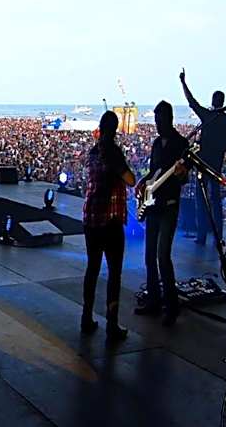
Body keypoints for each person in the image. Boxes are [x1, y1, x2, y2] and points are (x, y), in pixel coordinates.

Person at [82, 111, 135, 342]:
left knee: (92, 269)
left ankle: (86, 317)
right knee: (114, 272)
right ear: (115, 129)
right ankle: (112, 325)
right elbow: (130, 179)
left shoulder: (93, 152)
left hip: (91, 217)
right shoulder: (112, 152)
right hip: (110, 219)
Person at [136, 101, 188, 326]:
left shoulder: (181, 144)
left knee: (162, 256)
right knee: (149, 256)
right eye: (155, 120)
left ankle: (172, 306)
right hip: (153, 204)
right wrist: (142, 183)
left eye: (160, 120)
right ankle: (154, 301)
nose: (157, 124)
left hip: (169, 205)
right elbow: (153, 172)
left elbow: (184, 178)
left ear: (169, 119)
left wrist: (180, 173)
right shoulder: (157, 143)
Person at [180, 69, 226, 246]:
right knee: (215, 200)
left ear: (213, 101)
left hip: (203, 164)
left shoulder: (208, 116)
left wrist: (183, 83)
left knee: (201, 200)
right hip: (216, 164)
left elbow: (191, 102)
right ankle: (218, 236)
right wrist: (218, 149)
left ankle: (202, 235)